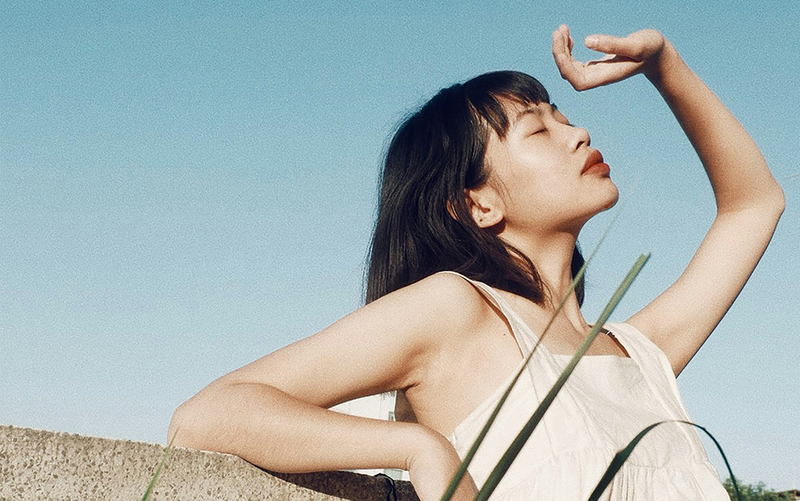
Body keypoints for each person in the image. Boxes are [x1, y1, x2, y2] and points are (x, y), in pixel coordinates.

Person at [168, 25, 784, 500]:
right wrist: (418, 447)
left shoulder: (641, 354)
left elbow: (756, 205)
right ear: (477, 203)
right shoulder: (457, 311)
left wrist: (664, 65)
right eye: (537, 130)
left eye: (565, 117)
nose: (579, 134)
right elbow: (209, 415)